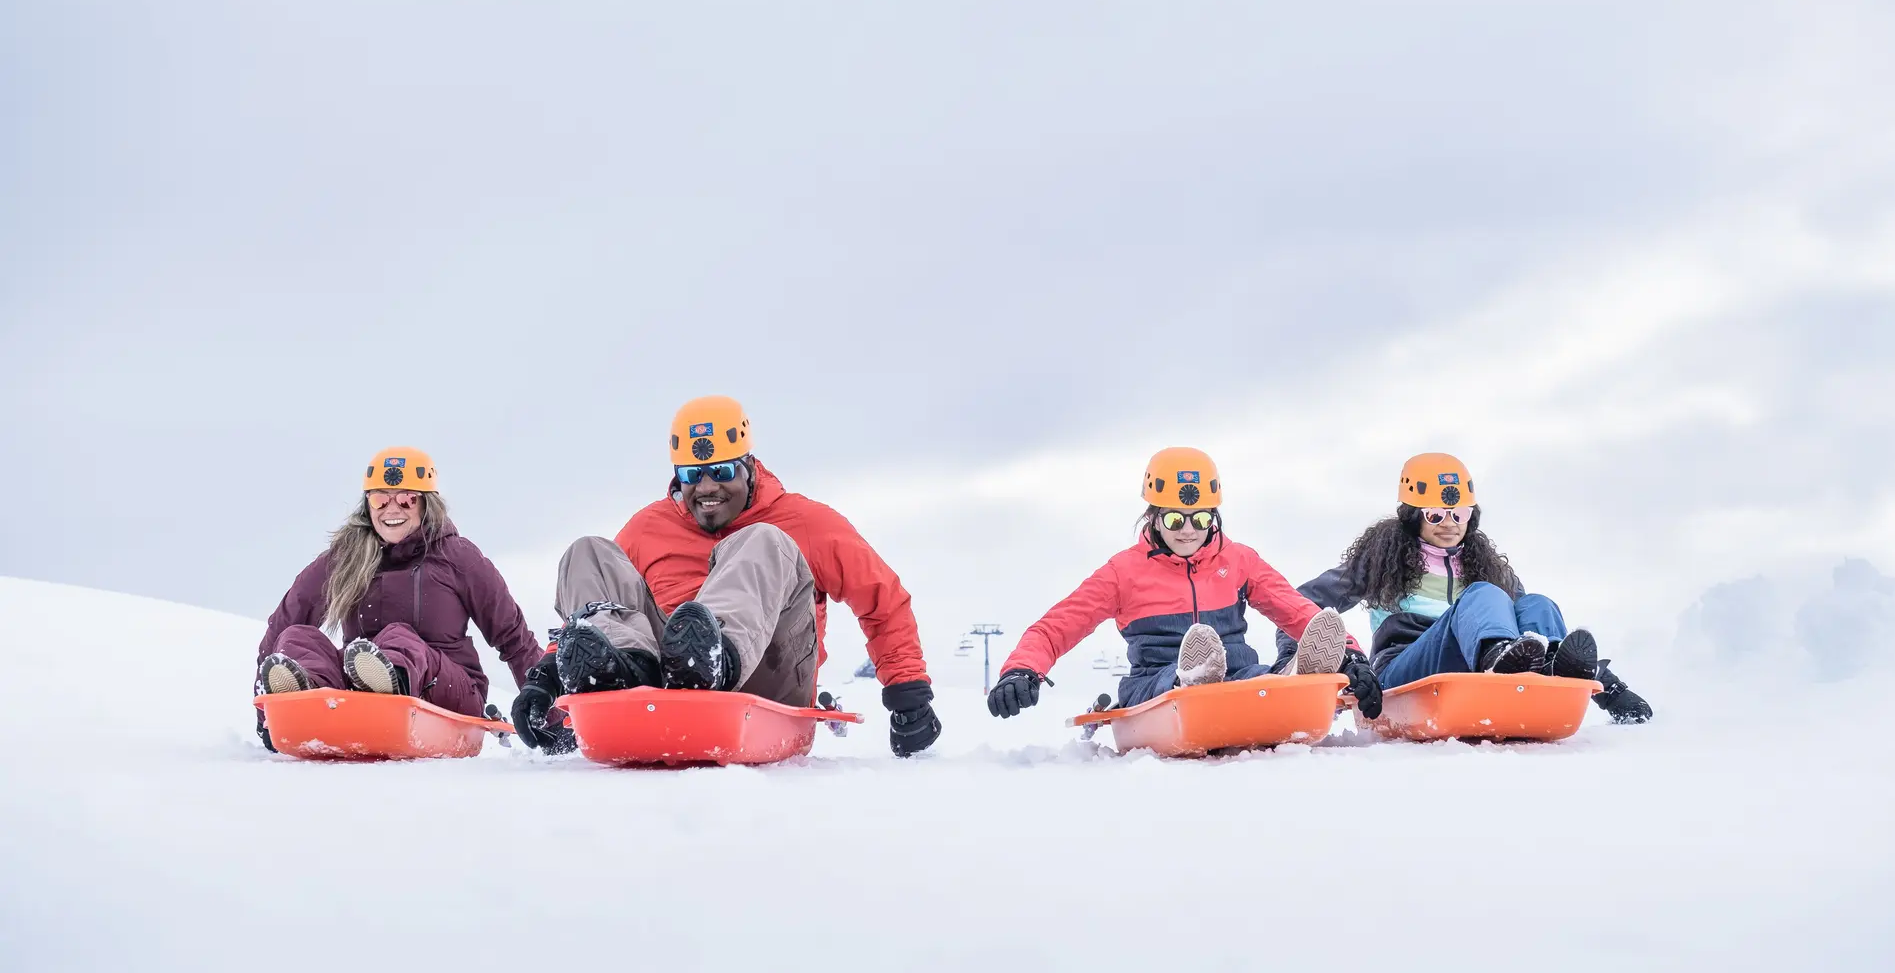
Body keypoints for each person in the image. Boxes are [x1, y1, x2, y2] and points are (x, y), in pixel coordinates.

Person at [511, 396, 942, 758]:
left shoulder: (806, 523)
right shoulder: (649, 528)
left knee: (763, 541)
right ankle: (624, 670)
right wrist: (547, 675)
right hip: (667, 679)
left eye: (721, 472)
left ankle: (714, 657)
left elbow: (882, 599)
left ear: (749, 466)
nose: (706, 487)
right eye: (691, 476)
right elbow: (604, 600)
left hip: (768, 678)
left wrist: (908, 692)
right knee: (589, 553)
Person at [985, 448, 1383, 720]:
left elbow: (1298, 611)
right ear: (1153, 516)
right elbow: (1057, 626)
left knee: (1255, 678)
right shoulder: (1124, 572)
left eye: (1201, 518)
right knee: (1178, 682)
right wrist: (1021, 669)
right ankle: (1194, 677)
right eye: (1176, 519)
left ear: (1215, 516)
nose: (1189, 530)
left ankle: (1289, 679)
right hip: (1156, 683)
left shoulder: (1238, 560)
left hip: (1235, 679)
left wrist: (1351, 656)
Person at [1296, 452, 1652, 723]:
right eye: (1435, 514)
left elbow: (1533, 617)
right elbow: (1300, 606)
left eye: (1460, 514)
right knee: (1484, 594)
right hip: (1405, 668)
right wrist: (1338, 662)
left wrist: (1611, 689)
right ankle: (1497, 657)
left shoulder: (1484, 565)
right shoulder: (1382, 558)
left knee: (1537, 605)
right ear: (1413, 515)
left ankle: (1555, 675)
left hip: (1470, 673)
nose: (1449, 524)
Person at [254, 447, 547, 749]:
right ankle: (302, 697)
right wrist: (264, 714)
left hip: (450, 691)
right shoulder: (346, 559)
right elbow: (284, 622)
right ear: (368, 506)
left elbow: (513, 636)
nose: (391, 509)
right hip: (358, 695)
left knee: (397, 637)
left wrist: (546, 711)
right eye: (380, 499)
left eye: (406, 498)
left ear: (426, 504)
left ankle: (389, 682)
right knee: (297, 639)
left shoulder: (457, 556)